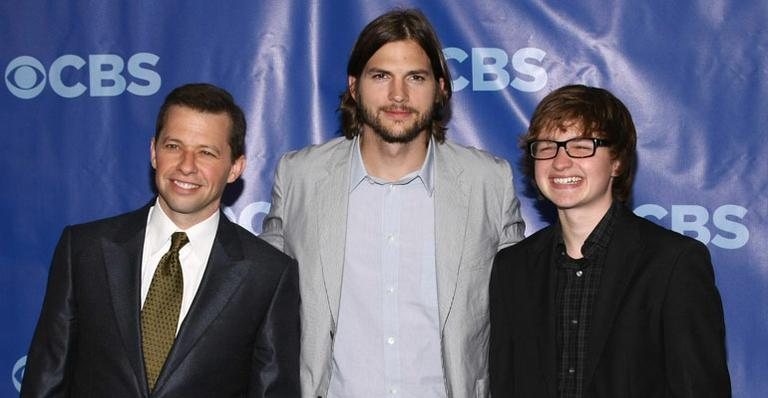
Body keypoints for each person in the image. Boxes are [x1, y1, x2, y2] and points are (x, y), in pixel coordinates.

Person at [260, 8, 525, 398]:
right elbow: (260, 301)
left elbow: (522, 312)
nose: (398, 95)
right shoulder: (300, 177)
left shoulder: (489, 182)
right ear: (354, 86)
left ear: (440, 89)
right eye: (380, 76)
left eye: (415, 78)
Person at [21, 83, 300, 397]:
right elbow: (45, 381)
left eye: (206, 152)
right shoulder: (84, 250)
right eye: (174, 146)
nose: (186, 165)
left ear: (235, 167)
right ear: (154, 152)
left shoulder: (269, 275)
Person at [489, 84, 731, 397]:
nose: (560, 162)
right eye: (547, 146)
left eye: (581, 146)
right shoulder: (514, 267)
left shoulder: (673, 263)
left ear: (617, 161)